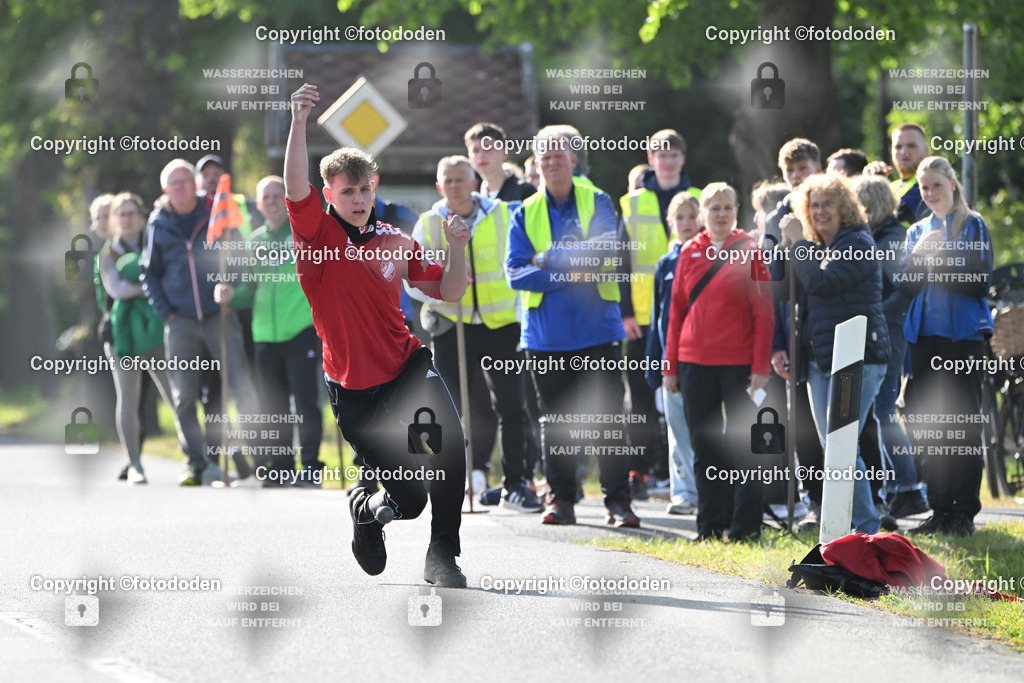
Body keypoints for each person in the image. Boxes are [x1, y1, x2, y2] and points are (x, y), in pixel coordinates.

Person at [285, 82, 471, 587]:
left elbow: (449, 291)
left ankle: (443, 556)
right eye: (348, 191)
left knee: (448, 448)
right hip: (354, 387)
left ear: (376, 186)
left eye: (366, 189)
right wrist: (300, 121)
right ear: (329, 195)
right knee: (408, 499)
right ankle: (368, 510)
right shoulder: (315, 236)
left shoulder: (395, 237)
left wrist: (457, 246)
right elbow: (295, 185)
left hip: (407, 366)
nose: (360, 199)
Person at [505, 127, 639, 528]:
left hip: (598, 331)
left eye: (558, 155)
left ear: (573, 159)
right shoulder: (523, 212)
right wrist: (566, 274)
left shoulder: (597, 200)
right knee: (555, 423)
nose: (551, 162)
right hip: (546, 338)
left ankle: (618, 503)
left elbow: (601, 251)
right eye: (544, 157)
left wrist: (546, 258)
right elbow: (515, 272)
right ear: (536, 163)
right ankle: (561, 499)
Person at [409, 156, 539, 512]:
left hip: (501, 326)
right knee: (448, 407)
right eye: (447, 180)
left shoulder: (503, 214)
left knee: (513, 406)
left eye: (460, 180)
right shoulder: (428, 224)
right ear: (439, 186)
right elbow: (414, 281)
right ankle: (447, 480)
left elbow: (520, 264)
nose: (454, 186)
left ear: (474, 183)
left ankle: (516, 484)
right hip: (453, 326)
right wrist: (441, 286)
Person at [780, 173, 890, 534]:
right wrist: (789, 246)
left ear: (844, 207)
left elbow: (822, 284)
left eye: (828, 203)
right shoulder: (816, 247)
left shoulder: (857, 242)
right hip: (819, 361)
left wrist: (797, 244)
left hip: (857, 359)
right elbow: (782, 289)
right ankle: (846, 528)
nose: (820, 210)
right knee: (834, 445)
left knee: (843, 444)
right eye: (813, 205)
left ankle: (865, 529)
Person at [140, 158, 262, 486]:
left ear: (194, 183)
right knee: (183, 396)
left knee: (240, 385)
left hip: (218, 316)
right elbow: (148, 272)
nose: (181, 187)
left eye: (185, 180)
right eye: (174, 183)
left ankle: (260, 461)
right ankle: (197, 462)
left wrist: (232, 287)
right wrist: (165, 311)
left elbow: (237, 253)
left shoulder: (216, 210)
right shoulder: (158, 223)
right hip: (179, 321)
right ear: (165, 189)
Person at [663, 183, 773, 542]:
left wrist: (760, 368)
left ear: (736, 211)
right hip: (695, 363)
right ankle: (708, 527)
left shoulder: (750, 251)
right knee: (705, 445)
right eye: (715, 208)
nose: (722, 214)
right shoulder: (688, 252)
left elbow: (764, 312)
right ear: (703, 215)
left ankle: (745, 529)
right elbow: (675, 313)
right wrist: (670, 366)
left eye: (728, 207)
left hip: (739, 363)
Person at [900, 157, 993, 537]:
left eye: (936, 185)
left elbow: (978, 281)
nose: (930, 193)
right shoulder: (917, 231)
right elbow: (904, 286)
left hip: (965, 341)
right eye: (924, 187)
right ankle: (939, 509)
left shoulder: (972, 225)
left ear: (952, 184)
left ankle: (963, 514)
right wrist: (920, 253)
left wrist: (938, 261)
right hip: (924, 341)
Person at [217, 176, 325, 488]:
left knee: (305, 404)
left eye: (279, 195)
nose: (274, 201)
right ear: (259, 204)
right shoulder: (254, 242)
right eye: (267, 197)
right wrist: (229, 297)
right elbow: (249, 291)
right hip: (264, 335)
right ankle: (280, 467)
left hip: (301, 331)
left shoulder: (303, 235)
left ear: (287, 199)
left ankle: (311, 468)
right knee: (273, 406)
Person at [619, 129, 701, 500]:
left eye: (673, 155)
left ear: (682, 159)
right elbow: (619, 260)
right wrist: (624, 312)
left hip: (692, 320)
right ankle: (641, 471)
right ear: (650, 159)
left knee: (688, 395)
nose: (667, 161)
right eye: (660, 155)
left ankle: (687, 472)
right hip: (644, 318)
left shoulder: (701, 199)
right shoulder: (633, 202)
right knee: (640, 397)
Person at [852, 175, 930, 519]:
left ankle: (908, 488)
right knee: (880, 412)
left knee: (883, 411)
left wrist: (875, 316)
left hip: (887, 332)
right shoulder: (877, 236)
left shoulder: (890, 238)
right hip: (882, 330)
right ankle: (902, 488)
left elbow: (903, 289)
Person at [96, 192, 185, 485]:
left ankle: (194, 456)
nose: (127, 218)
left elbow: (170, 277)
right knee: (128, 400)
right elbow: (117, 290)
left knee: (176, 396)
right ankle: (135, 464)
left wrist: (146, 286)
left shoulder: (154, 243)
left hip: (158, 331)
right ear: (114, 220)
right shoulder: (106, 255)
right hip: (122, 338)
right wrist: (150, 287)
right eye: (121, 214)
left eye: (132, 213)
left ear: (141, 216)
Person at [646, 192, 702, 514]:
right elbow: (658, 320)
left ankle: (709, 490)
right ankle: (684, 493)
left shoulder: (712, 256)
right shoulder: (665, 264)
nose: (686, 223)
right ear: (671, 223)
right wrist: (655, 366)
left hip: (703, 360)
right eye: (679, 218)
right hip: (671, 362)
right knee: (677, 431)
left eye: (691, 216)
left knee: (703, 429)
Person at [866, 123, 931, 226]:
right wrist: (868, 180)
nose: (904, 152)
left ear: (926, 151)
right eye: (898, 147)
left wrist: (876, 184)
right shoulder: (892, 186)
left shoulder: (929, 185)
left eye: (911, 146)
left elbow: (889, 219)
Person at [464, 122, 537, 201]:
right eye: (476, 151)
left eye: (487, 148)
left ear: (504, 152)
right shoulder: (476, 198)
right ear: (469, 157)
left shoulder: (525, 191)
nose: (481, 155)